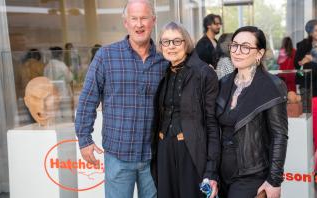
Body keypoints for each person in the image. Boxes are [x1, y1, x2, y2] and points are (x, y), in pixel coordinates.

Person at [74, 1, 168, 198]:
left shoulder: (164, 60)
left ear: (153, 21)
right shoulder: (106, 56)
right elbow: (87, 100)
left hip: (154, 156)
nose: (139, 24)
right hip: (118, 155)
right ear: (126, 22)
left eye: (144, 18)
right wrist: (84, 139)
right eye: (134, 19)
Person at [216, 26, 288, 198]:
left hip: (251, 175)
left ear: (259, 53)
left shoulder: (271, 86)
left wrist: (274, 180)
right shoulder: (223, 83)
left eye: (246, 47)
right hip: (222, 175)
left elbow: (279, 135)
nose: (237, 51)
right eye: (234, 45)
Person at [153, 21, 220, 198]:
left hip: (191, 151)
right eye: (165, 42)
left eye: (177, 41)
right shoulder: (162, 71)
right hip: (163, 149)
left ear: (186, 42)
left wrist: (211, 169)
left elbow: (212, 124)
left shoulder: (204, 73)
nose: (171, 47)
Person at [294, 19, 317, 174]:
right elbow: (299, 65)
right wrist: (308, 62)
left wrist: (312, 60)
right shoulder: (304, 44)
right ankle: (309, 158)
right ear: (310, 32)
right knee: (309, 121)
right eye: (315, 30)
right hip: (308, 87)